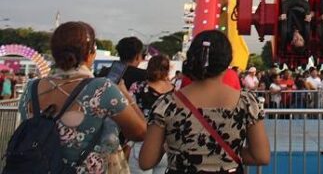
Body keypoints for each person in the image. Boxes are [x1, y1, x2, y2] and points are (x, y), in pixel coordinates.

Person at [16, 21, 146, 173]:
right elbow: (140, 132)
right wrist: (125, 94)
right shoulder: (102, 88)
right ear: (89, 54)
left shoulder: (31, 87)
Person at [139, 30, 270, 172]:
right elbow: (261, 156)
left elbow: (146, 162)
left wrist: (171, 145)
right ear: (227, 61)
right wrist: (222, 154)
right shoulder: (247, 103)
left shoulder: (166, 104)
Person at [129, 55, 174, 174]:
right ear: (167, 70)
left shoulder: (138, 87)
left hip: (142, 144)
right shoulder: (176, 92)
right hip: (166, 147)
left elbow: (129, 114)